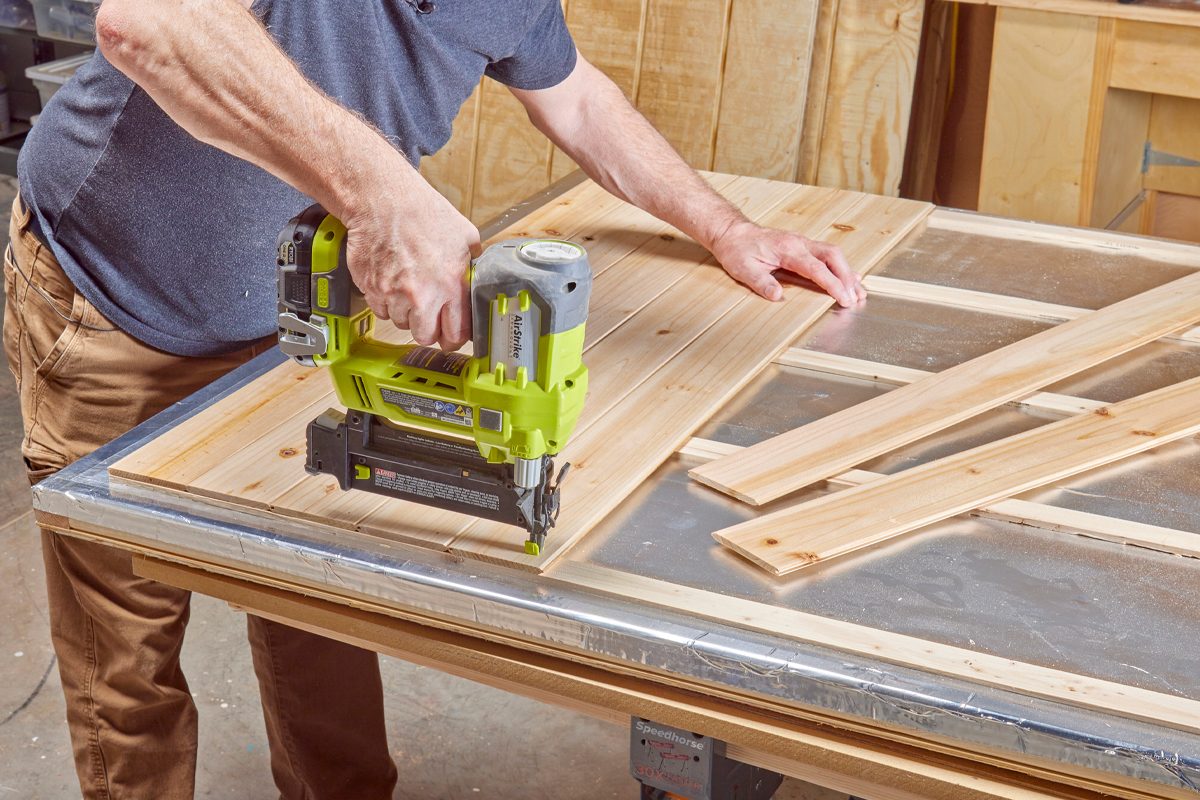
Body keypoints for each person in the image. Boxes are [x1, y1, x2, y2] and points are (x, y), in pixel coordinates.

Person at [5, 1, 866, 797]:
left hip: (296, 311)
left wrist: (725, 225)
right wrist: (381, 190)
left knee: (319, 600)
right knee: (127, 658)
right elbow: (150, 21)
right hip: (114, 299)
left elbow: (577, 101)